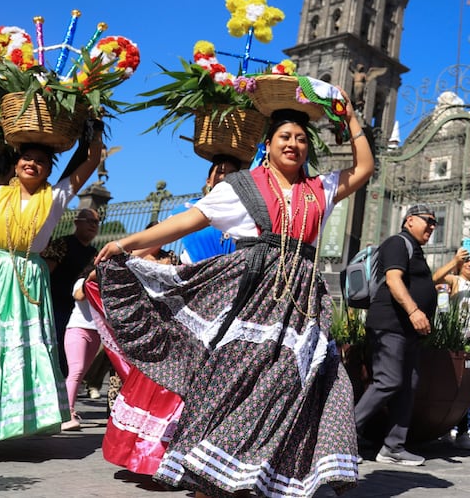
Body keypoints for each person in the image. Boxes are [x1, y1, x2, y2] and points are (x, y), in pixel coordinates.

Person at [94, 98, 372, 498]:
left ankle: (266, 472)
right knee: (233, 380)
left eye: (300, 138)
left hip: (302, 303)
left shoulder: (319, 190)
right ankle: (209, 471)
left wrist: (350, 118)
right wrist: (127, 242)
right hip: (253, 297)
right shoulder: (242, 187)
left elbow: (364, 168)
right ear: (269, 144)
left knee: (301, 383)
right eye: (284, 137)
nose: (293, 144)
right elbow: (183, 222)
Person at [0, 123, 104, 457]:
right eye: (26, 157)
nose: (32, 163)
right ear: (15, 164)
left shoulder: (56, 197)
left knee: (13, 352)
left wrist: (93, 129)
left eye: (41, 160)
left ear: (48, 170)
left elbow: (90, 161)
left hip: (26, 279)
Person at [87, 155, 243, 478]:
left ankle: (192, 461)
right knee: (168, 380)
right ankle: (151, 458)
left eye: (233, 175)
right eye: (221, 173)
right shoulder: (189, 211)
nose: (226, 178)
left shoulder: (244, 218)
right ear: (209, 179)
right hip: (186, 308)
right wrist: (121, 258)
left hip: (225, 309)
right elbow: (148, 250)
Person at [353, 205, 463, 466]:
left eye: (436, 223)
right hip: (391, 325)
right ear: (410, 220)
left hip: (409, 331)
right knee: (388, 381)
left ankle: (393, 447)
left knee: (407, 387)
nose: (433, 226)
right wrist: (414, 310)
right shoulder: (397, 242)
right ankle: (341, 437)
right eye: (429, 221)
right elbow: (393, 280)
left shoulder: (416, 249)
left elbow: (419, 280)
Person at [434, 247, 470, 450]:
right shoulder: (454, 280)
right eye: (467, 260)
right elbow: (434, 278)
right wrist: (453, 261)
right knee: (452, 386)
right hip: (456, 342)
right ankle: (445, 428)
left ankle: (463, 430)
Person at [42, 207, 102, 368]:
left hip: (77, 310)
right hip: (55, 306)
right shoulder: (62, 244)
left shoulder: (94, 253)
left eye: (96, 222)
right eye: (89, 221)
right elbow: (45, 274)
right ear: (77, 223)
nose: (93, 225)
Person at [61, 274, 101, 431]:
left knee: (80, 374)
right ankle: (67, 414)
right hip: (78, 330)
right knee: (76, 372)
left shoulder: (111, 284)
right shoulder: (82, 281)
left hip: (96, 334)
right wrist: (90, 279)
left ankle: (64, 409)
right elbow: (79, 296)